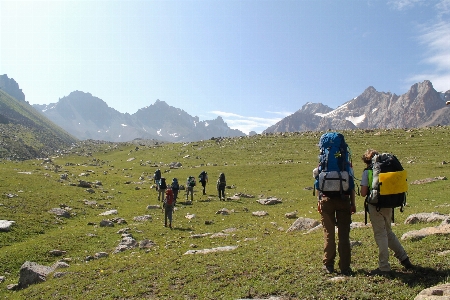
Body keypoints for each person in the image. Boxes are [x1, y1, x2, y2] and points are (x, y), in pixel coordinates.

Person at [360, 149, 413, 275]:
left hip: (375, 204)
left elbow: (363, 193)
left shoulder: (368, 171)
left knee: (380, 234)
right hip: (389, 203)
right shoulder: (388, 168)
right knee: (388, 232)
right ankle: (404, 258)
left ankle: (384, 266)